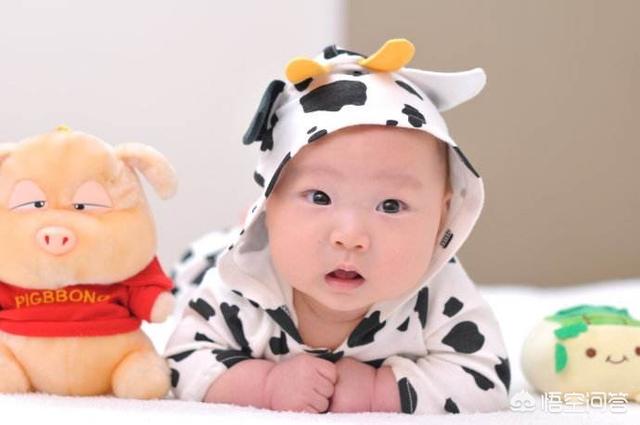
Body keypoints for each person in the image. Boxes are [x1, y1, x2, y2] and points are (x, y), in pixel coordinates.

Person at [165, 39, 510, 414]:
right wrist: (265, 385)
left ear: (442, 216)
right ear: (267, 205)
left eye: (391, 206)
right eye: (319, 197)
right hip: (210, 258)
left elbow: (485, 377)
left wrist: (379, 391)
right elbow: (183, 359)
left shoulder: (439, 293)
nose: (350, 236)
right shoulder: (242, 285)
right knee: (183, 279)